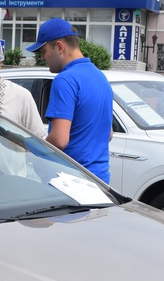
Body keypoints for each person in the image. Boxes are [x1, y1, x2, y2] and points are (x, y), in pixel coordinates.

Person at [26, 18, 113, 182]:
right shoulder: (100, 77)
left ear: (59, 47)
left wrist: (31, 149)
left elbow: (59, 140)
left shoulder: (65, 80)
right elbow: (108, 134)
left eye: (43, 51)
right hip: (100, 180)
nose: (42, 57)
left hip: (71, 181)